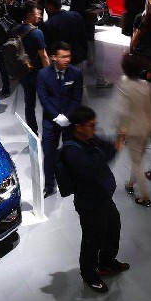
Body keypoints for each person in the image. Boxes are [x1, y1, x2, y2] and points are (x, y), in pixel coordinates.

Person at [57, 106, 128, 293]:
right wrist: (107, 151)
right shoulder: (71, 150)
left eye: (95, 125)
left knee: (113, 229)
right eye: (91, 125)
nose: (94, 129)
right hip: (90, 203)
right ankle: (88, 274)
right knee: (92, 240)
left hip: (104, 197)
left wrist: (119, 140)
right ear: (78, 127)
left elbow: (109, 151)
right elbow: (91, 169)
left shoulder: (91, 139)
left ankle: (107, 263)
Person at [38, 41, 84, 198]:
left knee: (71, 152)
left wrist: (67, 116)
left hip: (69, 121)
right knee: (49, 154)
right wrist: (56, 116)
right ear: (53, 58)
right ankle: (49, 185)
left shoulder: (76, 73)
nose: (67, 60)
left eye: (69, 56)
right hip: (50, 121)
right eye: (63, 57)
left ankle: (71, 181)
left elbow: (76, 98)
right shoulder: (43, 74)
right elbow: (44, 99)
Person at [112, 54, 151, 207]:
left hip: (132, 130)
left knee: (136, 162)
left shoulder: (124, 85)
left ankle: (145, 197)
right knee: (138, 158)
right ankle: (131, 184)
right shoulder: (147, 86)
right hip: (147, 127)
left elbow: (122, 112)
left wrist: (120, 132)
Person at [16, 2, 50, 132]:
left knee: (29, 105)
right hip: (38, 74)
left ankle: (33, 133)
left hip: (24, 73)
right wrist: (50, 75)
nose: (39, 15)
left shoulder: (16, 30)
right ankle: (48, 132)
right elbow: (44, 56)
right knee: (46, 103)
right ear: (30, 15)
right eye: (37, 13)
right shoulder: (37, 33)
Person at [41, 0, 88, 67]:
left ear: (50, 6)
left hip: (60, 63)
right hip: (78, 59)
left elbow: (48, 48)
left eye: (46, 6)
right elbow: (83, 38)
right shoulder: (76, 15)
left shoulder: (49, 24)